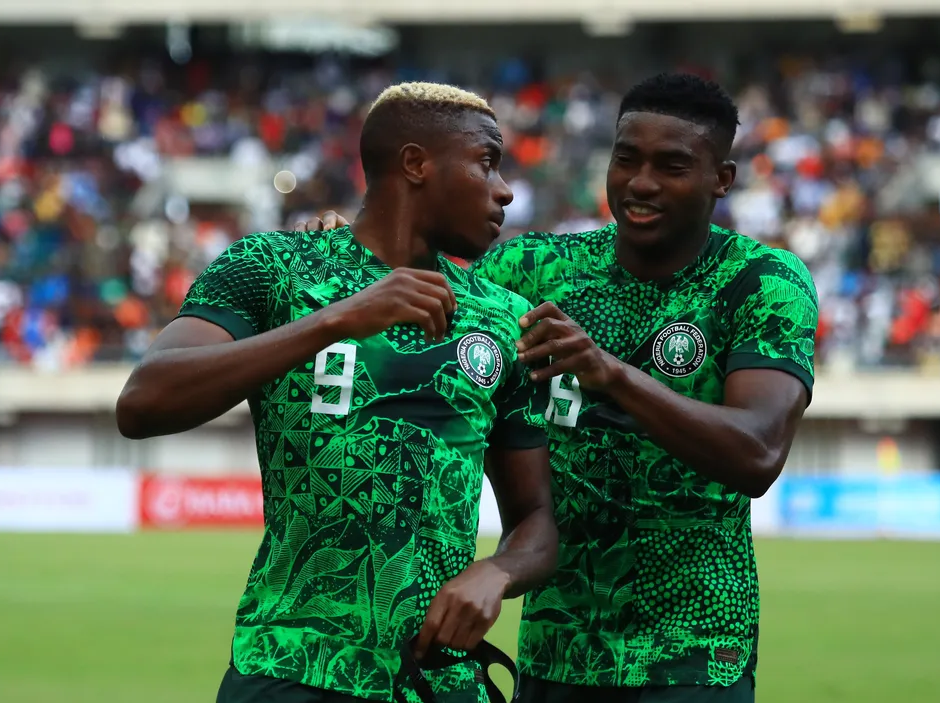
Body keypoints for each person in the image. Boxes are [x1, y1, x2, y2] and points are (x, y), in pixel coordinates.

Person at [297, 72, 820, 703]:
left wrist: (611, 375)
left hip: (693, 656)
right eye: (626, 160)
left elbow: (758, 454)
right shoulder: (535, 268)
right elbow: (405, 253)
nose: (641, 182)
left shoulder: (762, 282)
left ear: (721, 179)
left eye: (672, 166)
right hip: (555, 651)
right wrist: (340, 240)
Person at [116, 82, 558, 703]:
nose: (505, 188)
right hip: (290, 669)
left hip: (438, 681)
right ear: (415, 164)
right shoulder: (274, 267)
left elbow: (537, 520)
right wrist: (335, 319)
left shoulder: (504, 318)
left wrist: (499, 571)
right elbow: (141, 402)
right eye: (486, 163)